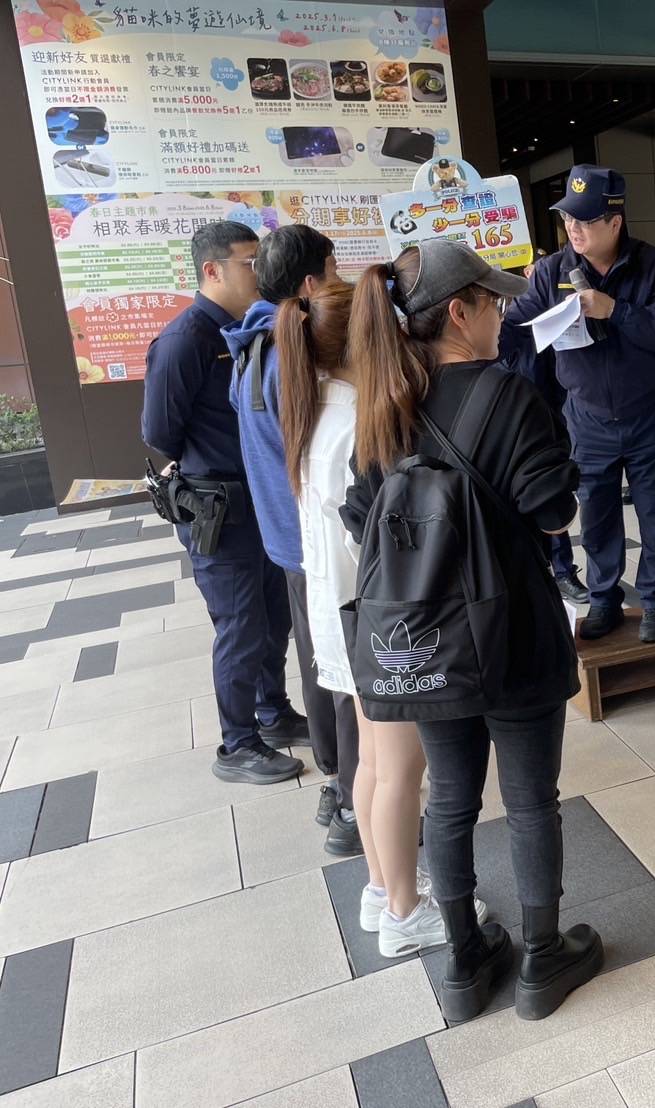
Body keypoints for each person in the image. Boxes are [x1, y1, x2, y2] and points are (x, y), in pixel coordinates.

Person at [342, 239, 603, 1022]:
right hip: (515, 634)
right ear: (459, 312)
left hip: (425, 645)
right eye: (491, 303)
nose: (502, 314)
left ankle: (462, 964)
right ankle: (541, 964)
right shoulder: (509, 394)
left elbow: (363, 519)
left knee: (450, 799)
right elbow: (553, 512)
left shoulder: (382, 405)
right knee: (529, 802)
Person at [274, 281, 488, 956]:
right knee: (399, 769)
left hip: (340, 619)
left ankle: (380, 885)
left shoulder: (317, 414)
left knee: (371, 762)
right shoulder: (354, 427)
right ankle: (403, 912)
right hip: (377, 624)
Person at [141, 221, 306, 785]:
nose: (259, 273)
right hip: (218, 508)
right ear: (212, 271)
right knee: (240, 625)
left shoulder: (250, 328)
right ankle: (236, 744)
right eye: (248, 262)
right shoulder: (186, 339)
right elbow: (160, 430)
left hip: (261, 500)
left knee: (272, 616)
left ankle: (273, 712)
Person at [502, 164, 655, 644]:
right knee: (598, 516)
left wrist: (614, 310)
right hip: (587, 419)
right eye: (567, 220)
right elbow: (513, 331)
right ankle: (603, 599)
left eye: (584, 220)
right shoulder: (550, 272)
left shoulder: (653, 266)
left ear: (615, 222)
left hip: (650, 417)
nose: (574, 230)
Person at [222, 224, 361, 854]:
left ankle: (335, 782)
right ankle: (355, 804)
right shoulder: (295, 357)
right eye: (332, 271)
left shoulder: (250, 347)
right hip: (317, 538)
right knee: (350, 670)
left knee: (318, 663)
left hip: (286, 538)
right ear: (311, 283)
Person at [507, 247, 589, 604]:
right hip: (499, 414)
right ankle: (528, 575)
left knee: (548, 493)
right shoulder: (485, 313)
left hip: (543, 410)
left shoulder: (540, 298)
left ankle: (564, 571)